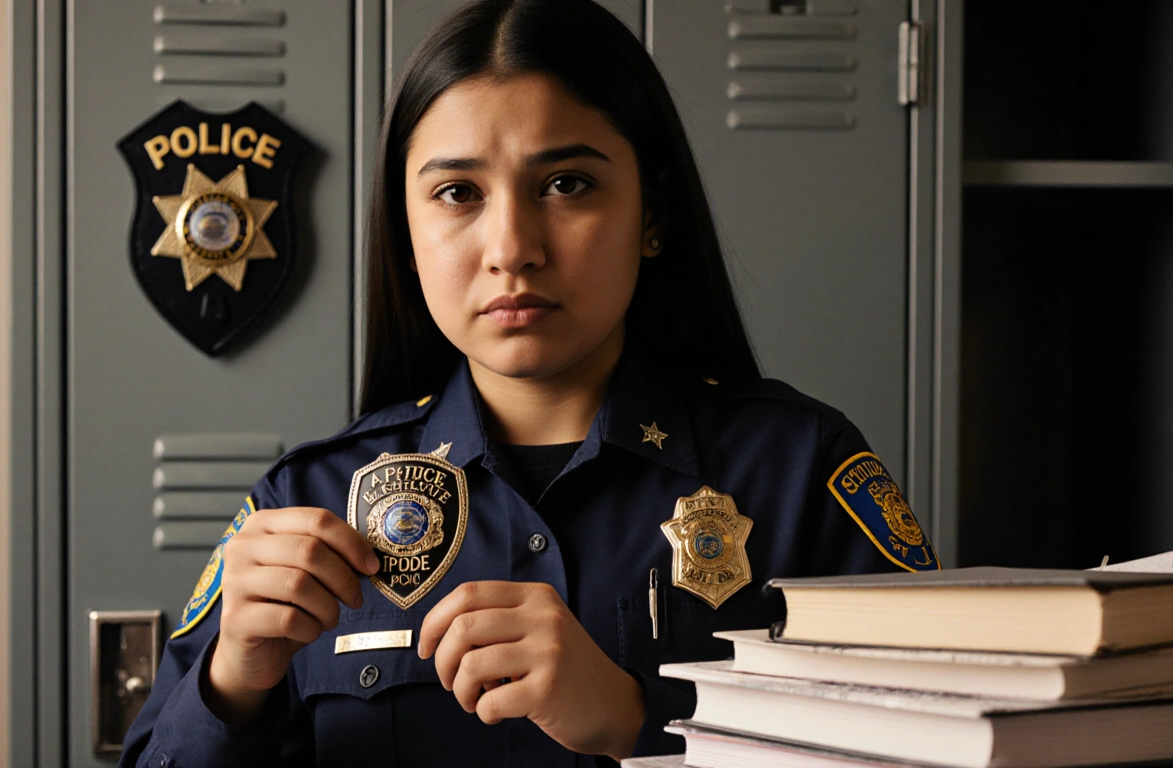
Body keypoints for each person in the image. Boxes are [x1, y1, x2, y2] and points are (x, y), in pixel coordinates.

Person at [120, 1, 940, 765]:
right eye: (457, 193)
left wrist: (641, 720)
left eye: (567, 185)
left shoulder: (802, 473)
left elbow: (933, 745)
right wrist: (234, 679)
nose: (511, 246)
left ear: (651, 214)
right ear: (407, 235)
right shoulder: (308, 500)